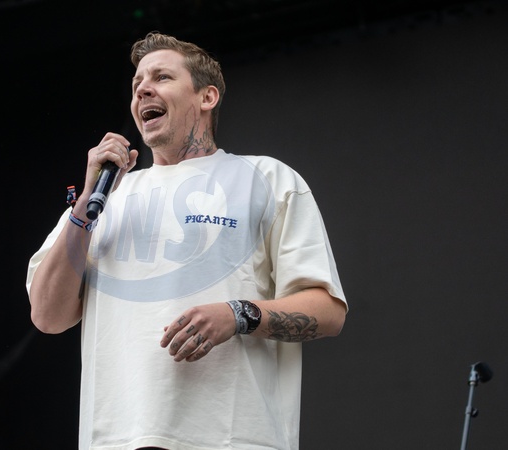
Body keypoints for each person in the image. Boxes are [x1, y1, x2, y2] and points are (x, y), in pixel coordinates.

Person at [26, 31, 347, 450]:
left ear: (207, 97)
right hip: (116, 438)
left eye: (161, 77)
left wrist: (238, 314)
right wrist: (85, 207)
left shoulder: (267, 179)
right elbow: (47, 316)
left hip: (233, 438)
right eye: (137, 82)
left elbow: (328, 311)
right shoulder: (102, 201)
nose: (143, 89)